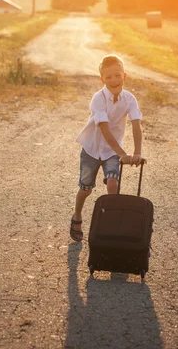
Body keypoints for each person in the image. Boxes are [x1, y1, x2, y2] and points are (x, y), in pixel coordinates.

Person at [70, 54, 144, 242]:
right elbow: (103, 129)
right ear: (102, 80)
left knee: (113, 184)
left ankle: (111, 225)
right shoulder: (98, 99)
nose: (114, 80)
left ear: (124, 76)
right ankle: (77, 215)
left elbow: (136, 124)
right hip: (92, 149)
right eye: (109, 77)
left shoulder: (129, 99)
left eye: (117, 76)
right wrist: (122, 153)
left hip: (111, 152)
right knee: (86, 189)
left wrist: (137, 152)